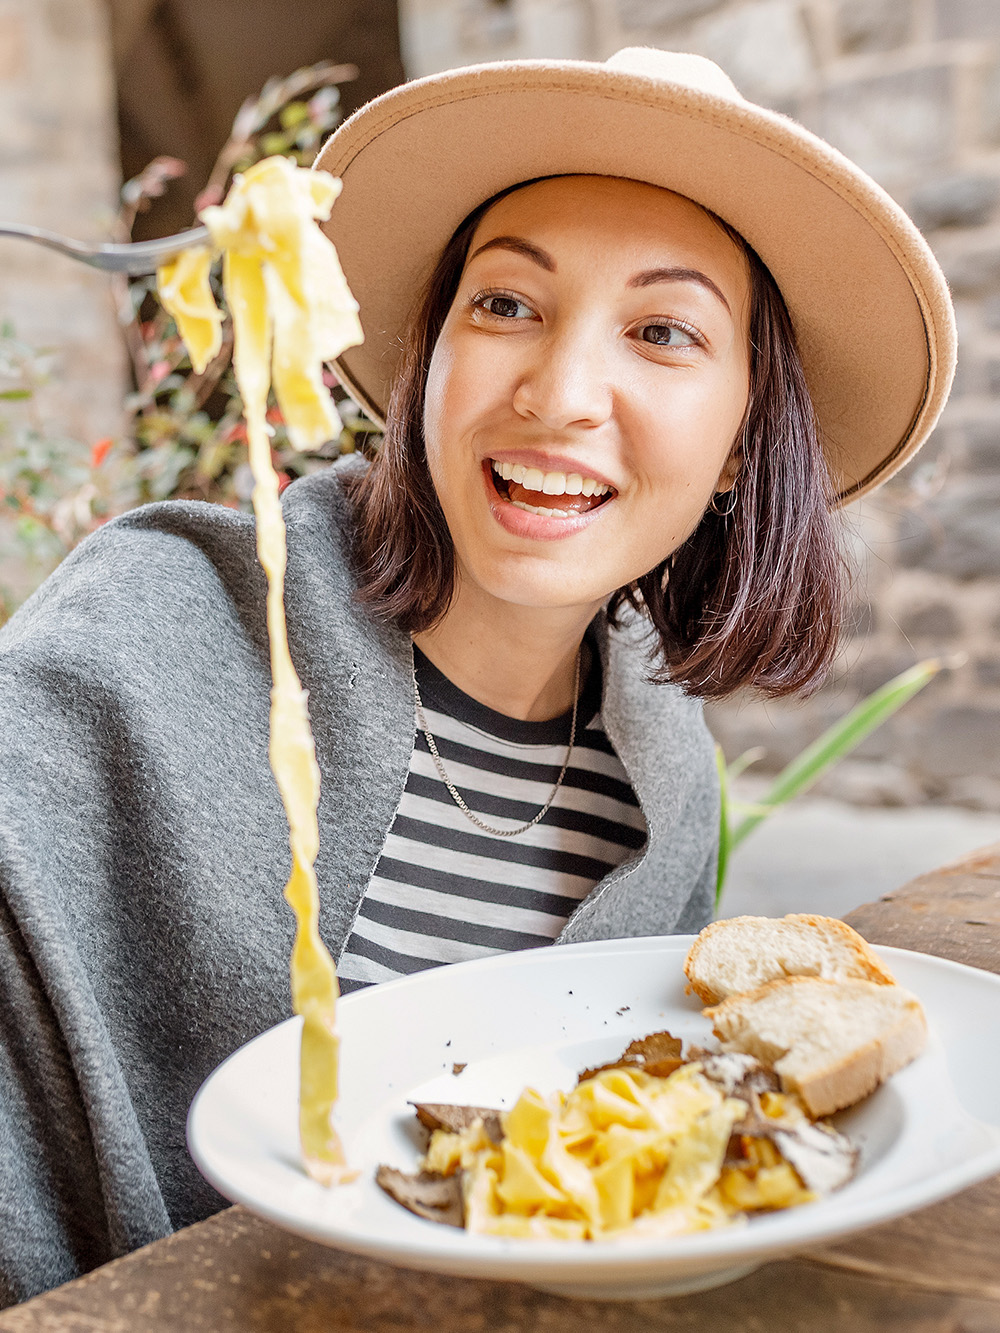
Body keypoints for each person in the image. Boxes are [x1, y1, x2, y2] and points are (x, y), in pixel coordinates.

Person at [0, 47, 954, 1305]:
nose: (559, 394)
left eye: (662, 332)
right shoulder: (154, 630)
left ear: (738, 442)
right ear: (424, 360)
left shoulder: (661, 766)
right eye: (504, 305)